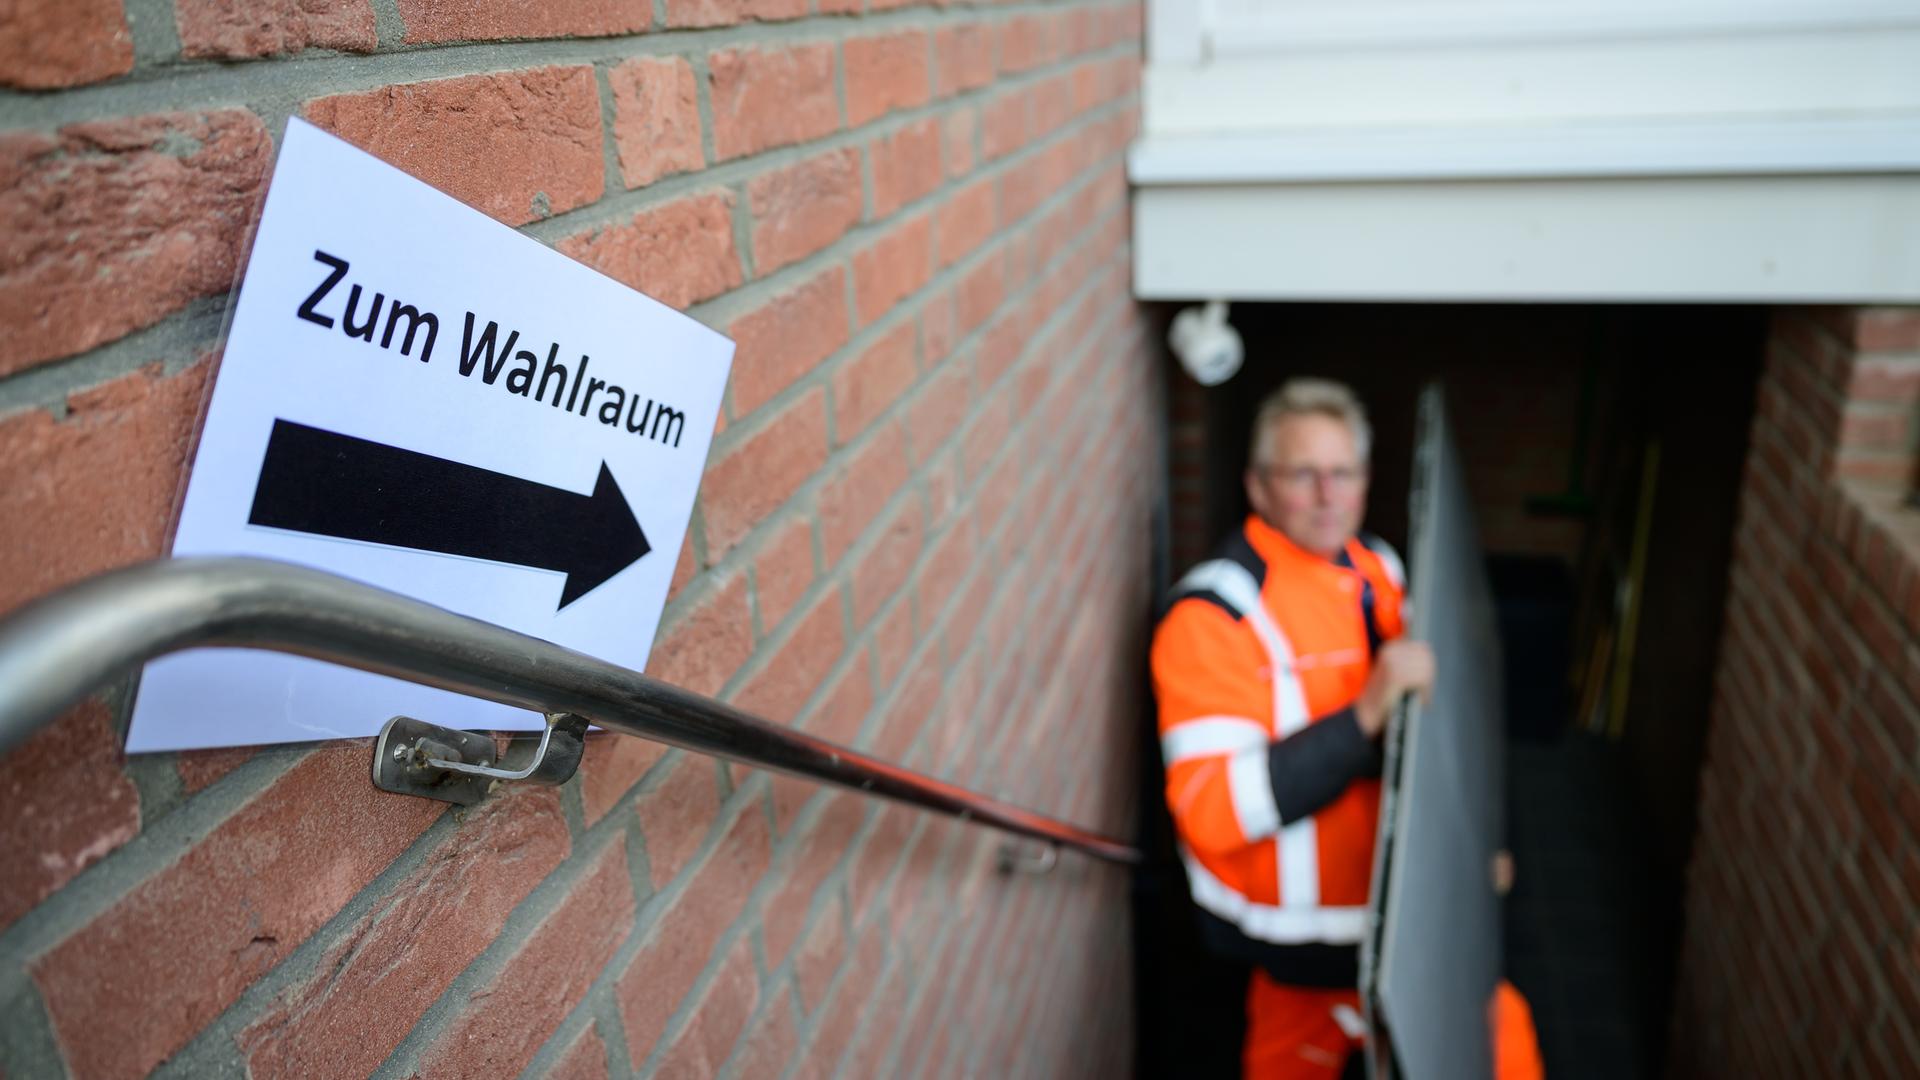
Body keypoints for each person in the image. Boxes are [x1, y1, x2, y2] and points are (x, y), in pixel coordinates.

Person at [1151, 377, 1435, 1078]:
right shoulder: (1215, 614)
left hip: (1392, 918)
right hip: (1289, 946)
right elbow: (1213, 810)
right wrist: (1367, 710)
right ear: (1257, 487)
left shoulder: (1379, 566)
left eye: (1344, 473)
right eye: (1302, 475)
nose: (1327, 494)